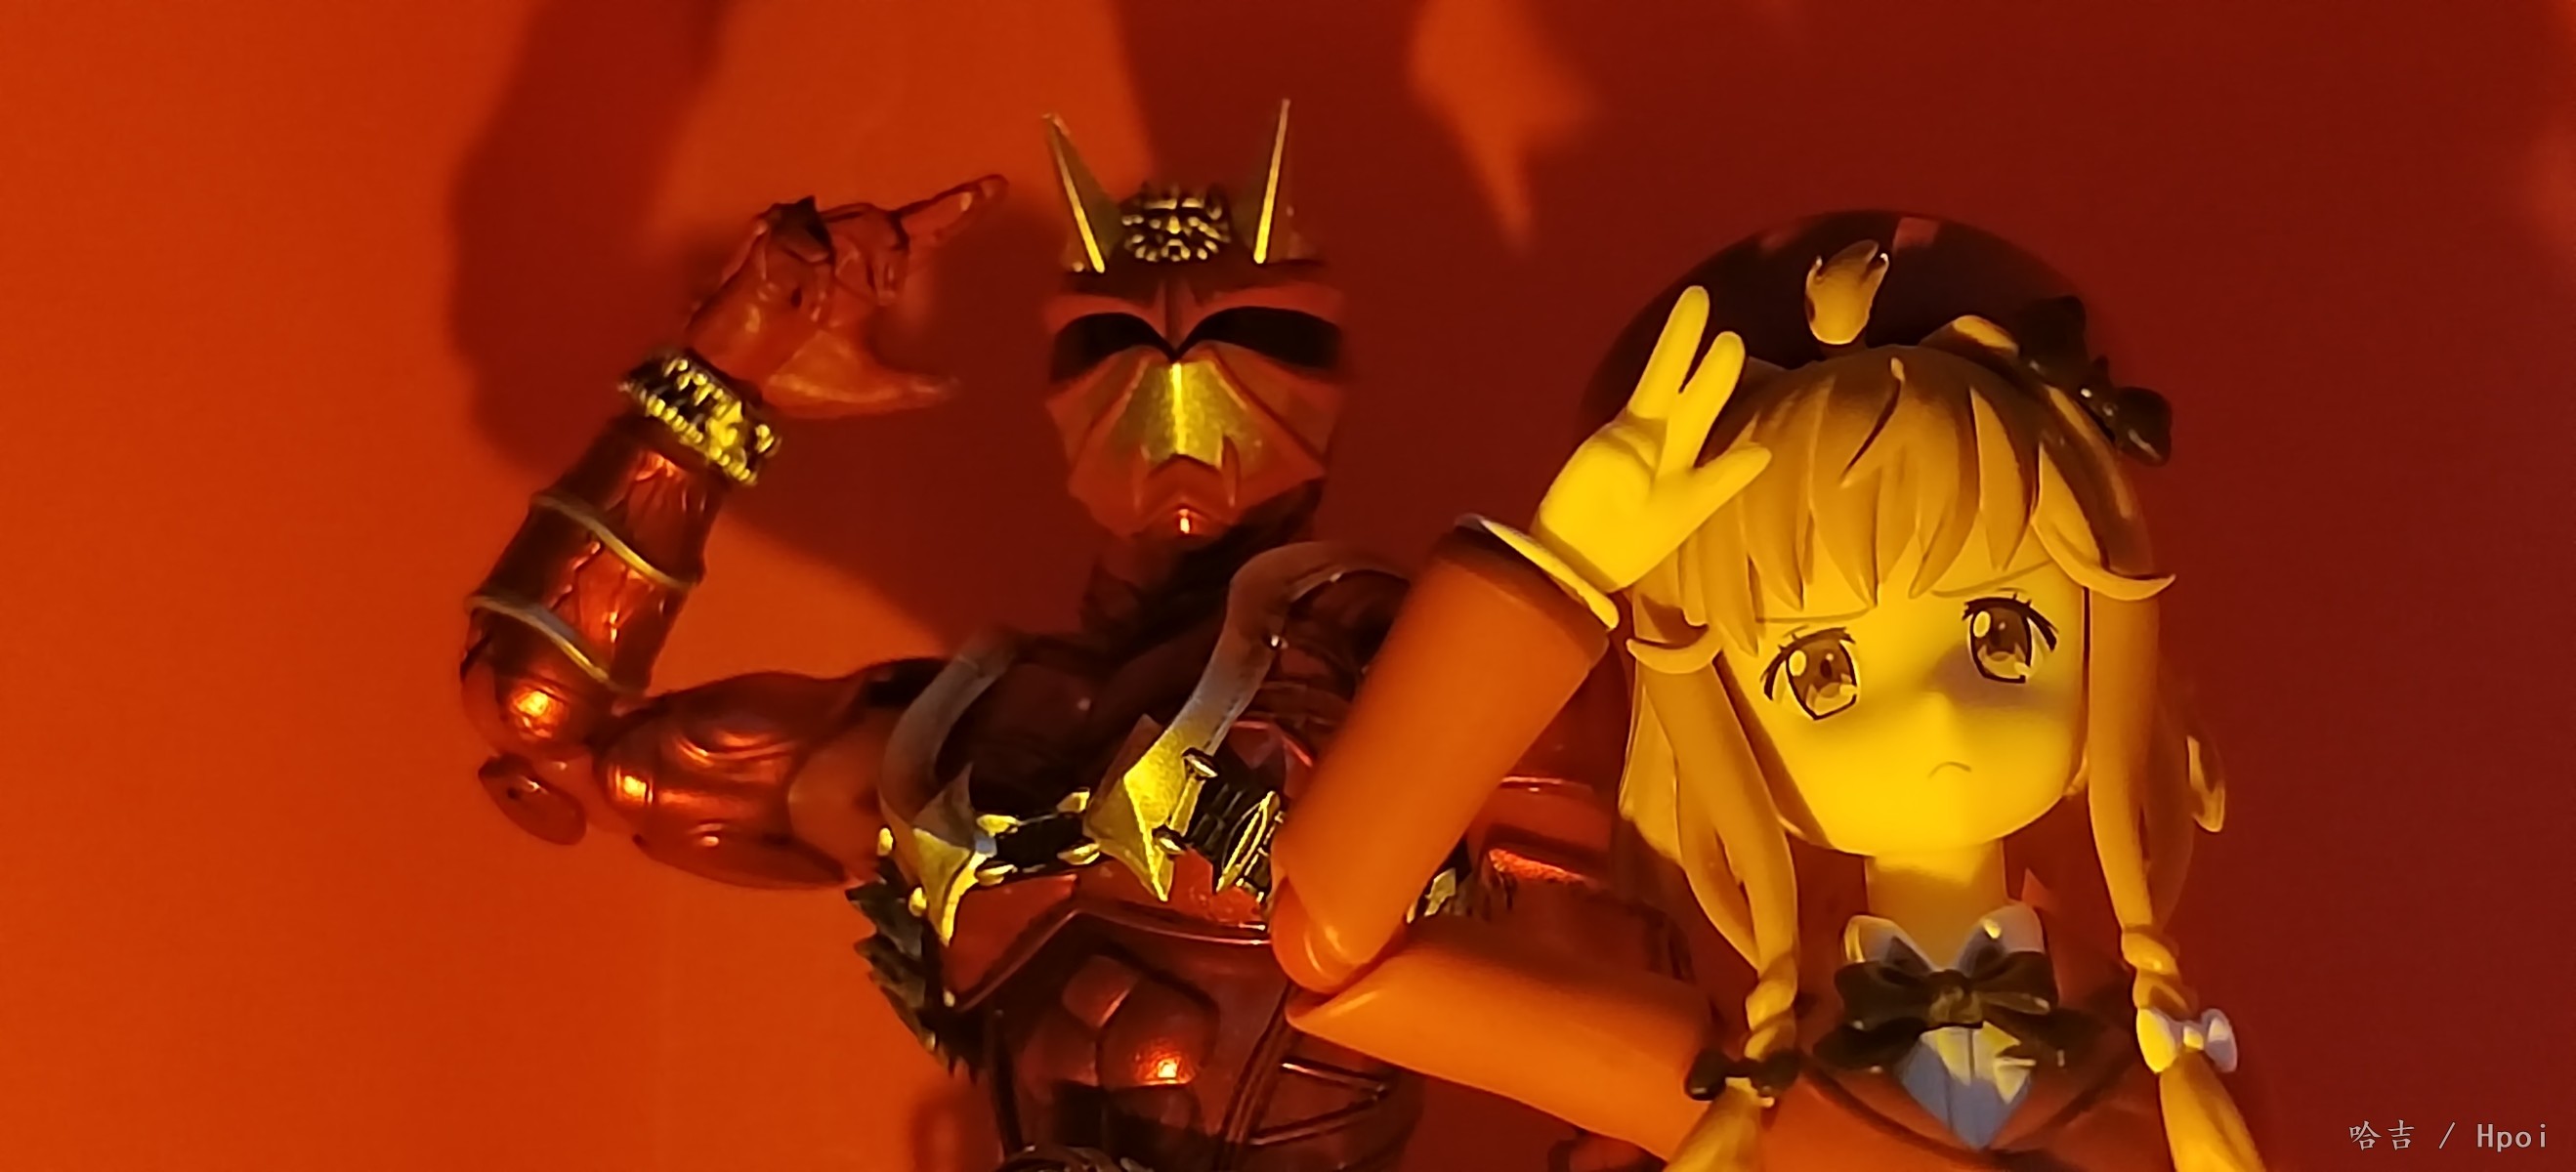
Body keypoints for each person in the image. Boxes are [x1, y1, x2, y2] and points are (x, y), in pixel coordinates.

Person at [458, 105, 1668, 1172]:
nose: (1177, 375)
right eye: (1112, 341)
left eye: (1250, 335)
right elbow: (546, 729)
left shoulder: (1400, 656)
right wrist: (721, 372)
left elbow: (1624, 1064)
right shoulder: (951, 744)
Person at [1268, 216, 2266, 1171]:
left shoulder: (2170, 1071)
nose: (1932, 709)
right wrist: (1558, 571)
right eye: (1823, 672)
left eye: (2001, 637)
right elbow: (1341, 947)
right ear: (1717, 716)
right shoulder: (1723, 1087)